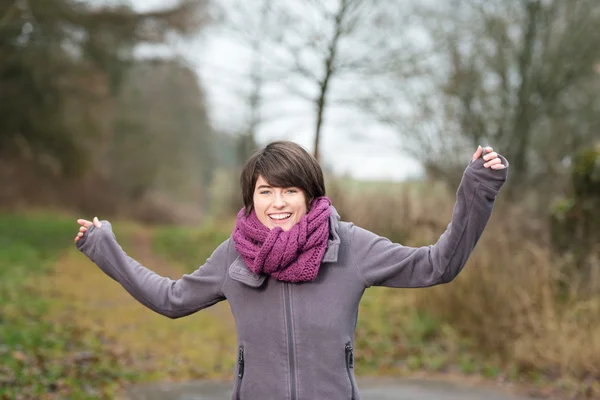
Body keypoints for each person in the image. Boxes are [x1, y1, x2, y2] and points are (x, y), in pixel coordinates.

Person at [74, 140, 508, 400]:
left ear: (310, 194)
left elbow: (437, 265)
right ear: (251, 197)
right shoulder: (234, 255)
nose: (277, 203)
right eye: (265, 191)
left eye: (289, 190)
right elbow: (170, 299)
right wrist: (105, 248)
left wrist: (477, 190)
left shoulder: (349, 244)